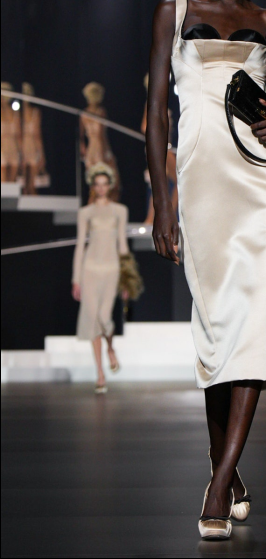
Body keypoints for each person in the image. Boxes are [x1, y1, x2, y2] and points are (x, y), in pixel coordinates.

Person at [146, 0, 266, 540]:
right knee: (214, 325)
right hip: (202, 181)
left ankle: (217, 484)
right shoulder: (174, 10)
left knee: (257, 318)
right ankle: (227, 469)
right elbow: (156, 112)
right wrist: (162, 203)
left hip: (264, 183)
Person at [71, 162, 129, 394]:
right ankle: (100, 373)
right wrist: (76, 279)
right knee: (92, 320)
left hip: (112, 268)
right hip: (90, 269)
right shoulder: (85, 213)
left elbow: (122, 244)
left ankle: (110, 348)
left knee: (105, 317)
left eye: (105, 184)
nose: (102, 188)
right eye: (98, 184)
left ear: (110, 185)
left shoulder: (120, 210)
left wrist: (127, 278)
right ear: (93, 186)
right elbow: (79, 246)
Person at [141, 73, 177, 225]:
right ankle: (165, 216)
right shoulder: (152, 101)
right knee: (177, 181)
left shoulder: (159, 101)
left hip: (163, 147)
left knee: (162, 182)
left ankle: (155, 218)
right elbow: (145, 127)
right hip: (161, 147)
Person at [80, 81, 120, 202]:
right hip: (100, 149)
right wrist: (106, 154)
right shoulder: (100, 112)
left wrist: (84, 151)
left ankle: (97, 207)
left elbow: (81, 138)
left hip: (91, 150)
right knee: (112, 183)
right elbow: (101, 135)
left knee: (94, 185)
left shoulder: (84, 113)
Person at [21, 82, 47, 195]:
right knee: (27, 186)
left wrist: (41, 154)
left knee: (29, 186)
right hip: (24, 147)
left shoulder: (34, 112)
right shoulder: (17, 113)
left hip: (28, 147)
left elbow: (37, 135)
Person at [1, 82, 21, 183]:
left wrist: (20, 152)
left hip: (13, 149)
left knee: (12, 181)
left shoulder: (15, 112)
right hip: (2, 148)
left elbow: (18, 134)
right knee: (3, 180)